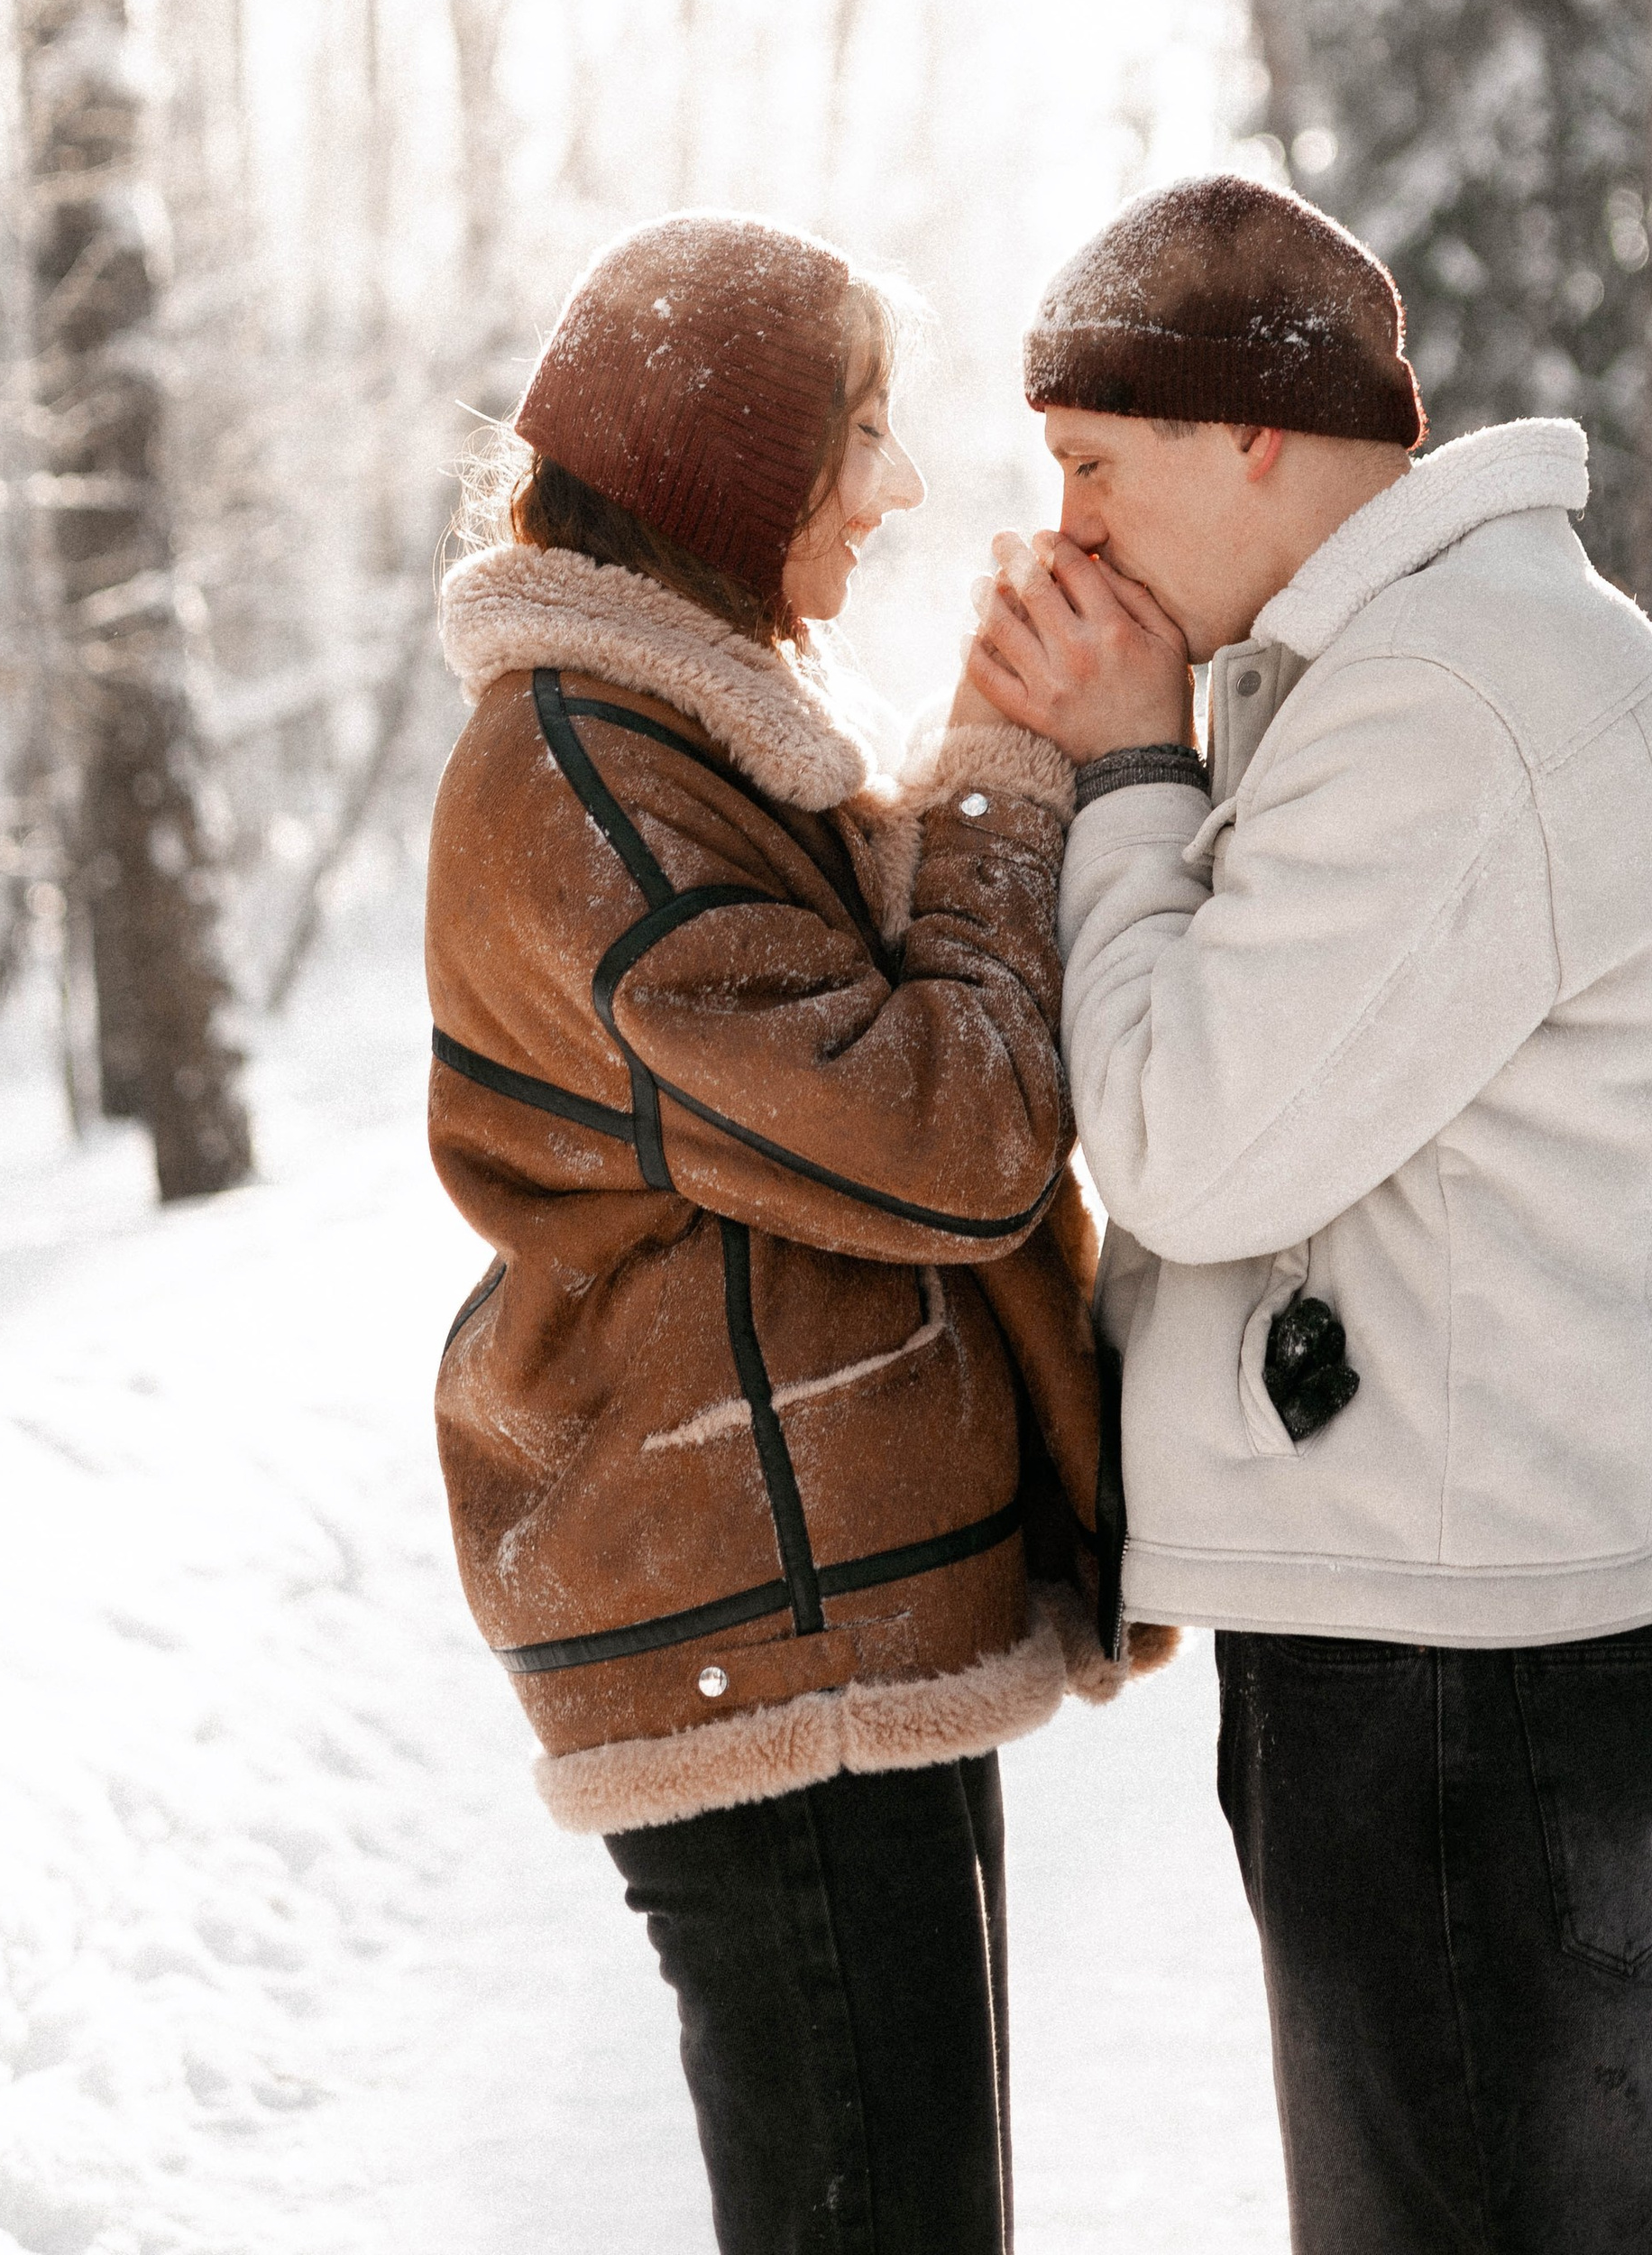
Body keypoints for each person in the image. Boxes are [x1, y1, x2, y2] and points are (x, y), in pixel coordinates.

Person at [963, 170, 1652, 2255]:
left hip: (1446, 1661)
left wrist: (1126, 775)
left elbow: (1194, 1134)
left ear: (1250, 431)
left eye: (1092, 466)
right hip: (1429, 1619)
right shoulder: (1398, 665)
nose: (1070, 533)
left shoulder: (1448, 694)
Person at [425, 209, 1153, 2255]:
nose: (892, 490)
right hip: (771, 1641)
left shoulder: (670, 735)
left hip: (814, 1621)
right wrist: (1014, 786)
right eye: (853, 436)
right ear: (720, 471)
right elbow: (948, 1130)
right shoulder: (584, 783)